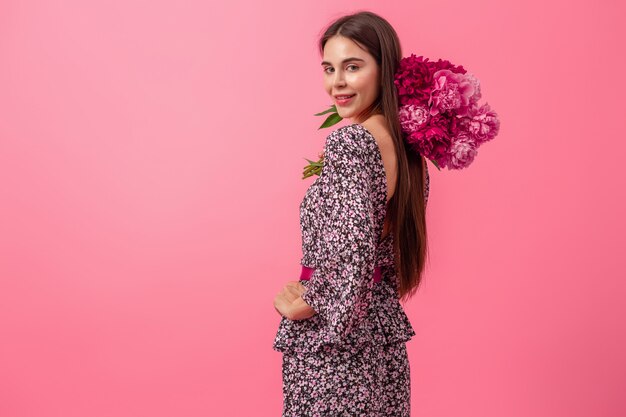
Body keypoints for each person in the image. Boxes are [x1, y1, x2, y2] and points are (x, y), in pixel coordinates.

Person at [272, 11, 430, 417]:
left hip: (336, 341)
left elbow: (353, 249)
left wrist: (310, 301)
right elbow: (380, 251)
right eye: (329, 68)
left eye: (353, 66)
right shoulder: (407, 149)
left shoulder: (352, 142)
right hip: (376, 332)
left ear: (385, 70)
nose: (336, 82)